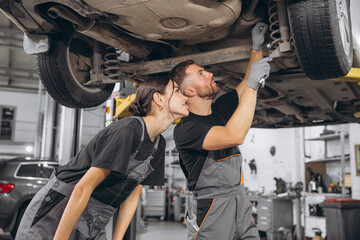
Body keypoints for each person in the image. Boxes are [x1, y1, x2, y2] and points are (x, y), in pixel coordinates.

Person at [15, 77, 188, 240]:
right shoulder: (128, 130)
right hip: (58, 210)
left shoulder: (158, 145)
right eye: (177, 91)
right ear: (159, 98)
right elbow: (82, 189)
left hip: (92, 219)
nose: (185, 95)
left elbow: (132, 198)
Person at [169, 22, 271, 240]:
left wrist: (256, 47)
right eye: (201, 73)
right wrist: (254, 85)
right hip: (211, 208)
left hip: (239, 200)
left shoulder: (220, 109)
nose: (210, 74)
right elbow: (234, 136)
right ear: (189, 90)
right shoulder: (186, 129)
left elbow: (246, 83)